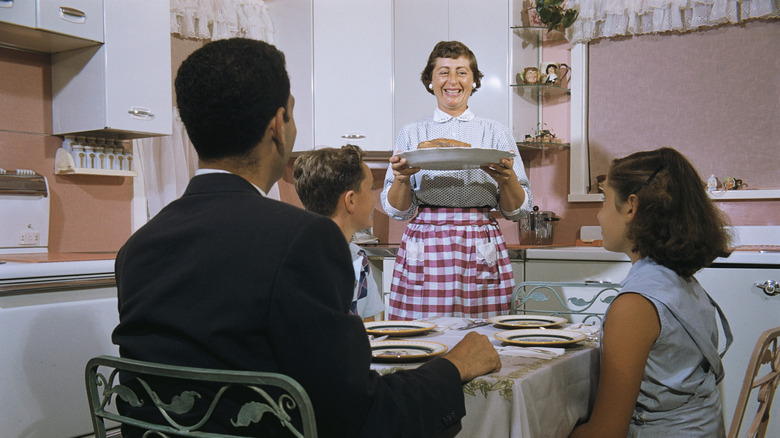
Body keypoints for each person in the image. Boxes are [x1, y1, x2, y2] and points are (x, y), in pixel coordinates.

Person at [112, 38, 501, 438]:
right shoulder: (304, 239)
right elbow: (358, 413)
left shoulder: (136, 249)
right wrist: (454, 367)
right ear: (279, 126)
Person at [569, 147, 733, 437]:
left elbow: (607, 432)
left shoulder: (635, 305)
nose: (599, 215)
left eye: (604, 200)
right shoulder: (681, 280)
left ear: (631, 207)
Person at [381, 40, 532, 320]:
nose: (453, 81)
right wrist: (401, 180)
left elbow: (516, 211)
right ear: (430, 81)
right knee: (421, 338)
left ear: (474, 81)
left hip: (479, 241)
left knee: (482, 336)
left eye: (462, 72)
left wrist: (507, 179)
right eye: (444, 72)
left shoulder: (495, 133)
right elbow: (399, 212)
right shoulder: (412, 134)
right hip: (425, 243)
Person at [293, 145, 385, 321]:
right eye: (371, 188)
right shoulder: (303, 261)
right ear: (351, 200)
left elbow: (367, 330)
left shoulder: (359, 258)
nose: (375, 197)